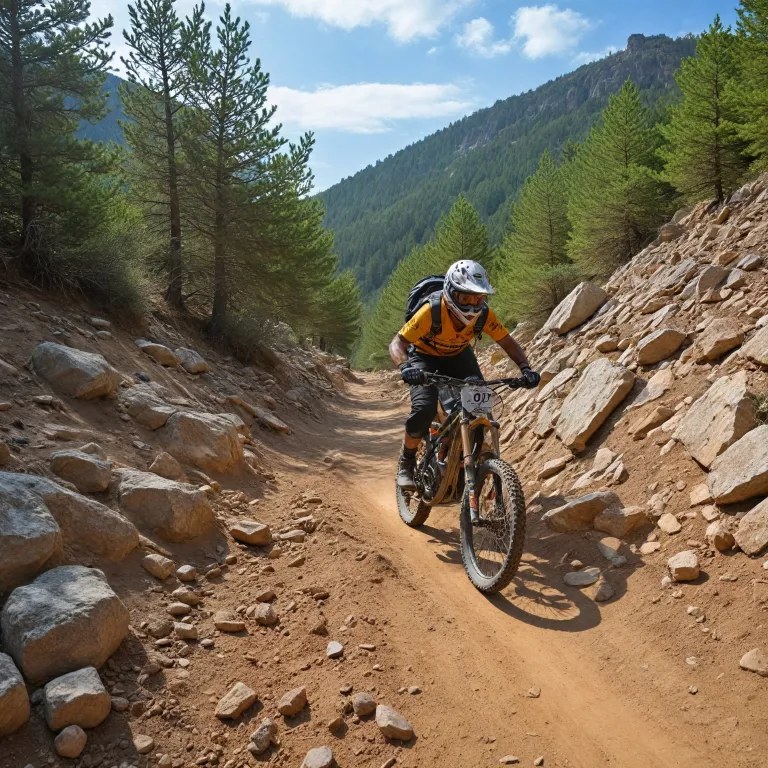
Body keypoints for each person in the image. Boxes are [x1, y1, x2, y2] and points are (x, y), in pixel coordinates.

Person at [389, 260, 541, 489]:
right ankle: (407, 462)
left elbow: (507, 342)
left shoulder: (484, 315)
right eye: (465, 298)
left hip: (459, 355)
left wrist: (525, 368)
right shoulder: (432, 310)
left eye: (478, 298)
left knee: (479, 411)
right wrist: (405, 367)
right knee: (424, 409)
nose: (472, 305)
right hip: (423, 356)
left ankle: (464, 465)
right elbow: (398, 342)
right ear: (450, 293)